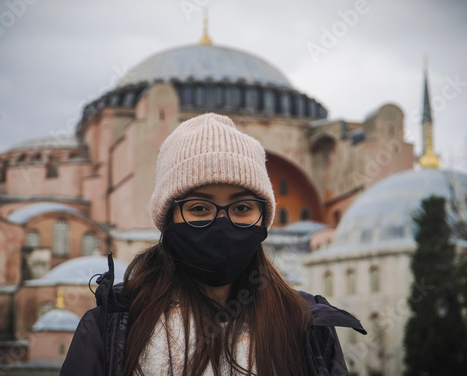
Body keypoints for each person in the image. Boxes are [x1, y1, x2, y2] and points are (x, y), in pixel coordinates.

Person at [61, 113, 366, 376]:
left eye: (242, 208)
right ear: (169, 217)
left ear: (264, 218)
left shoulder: (307, 325)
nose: (222, 223)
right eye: (199, 208)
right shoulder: (113, 327)